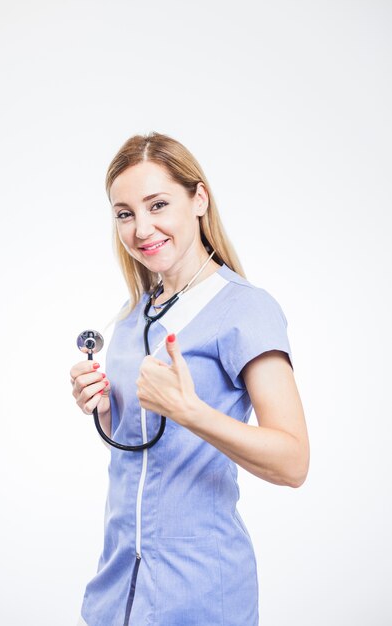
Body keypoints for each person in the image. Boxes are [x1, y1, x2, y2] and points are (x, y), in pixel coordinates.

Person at [70, 131, 310, 626]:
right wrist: (103, 407)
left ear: (198, 198)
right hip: (117, 591)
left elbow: (293, 462)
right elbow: (140, 450)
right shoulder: (134, 316)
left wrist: (191, 412)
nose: (141, 228)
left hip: (201, 594)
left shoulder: (247, 309)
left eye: (158, 205)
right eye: (124, 213)